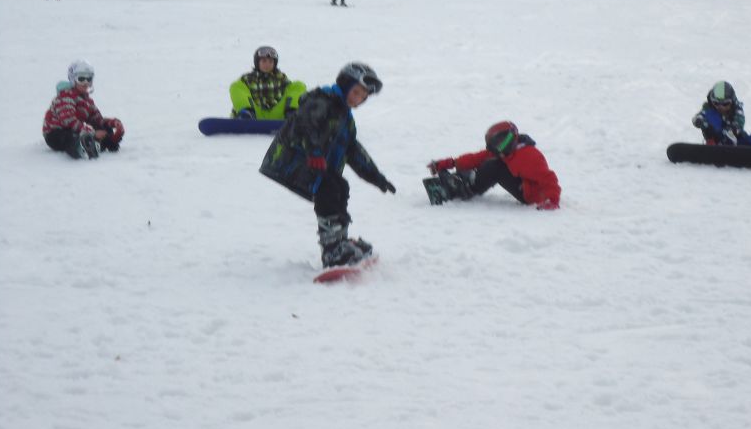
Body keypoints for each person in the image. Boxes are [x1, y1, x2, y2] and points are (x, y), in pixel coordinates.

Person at [259, 62, 395, 267]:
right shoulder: (321, 100)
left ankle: (339, 240)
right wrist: (314, 150)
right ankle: (332, 250)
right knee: (328, 188)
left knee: (340, 185)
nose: (357, 99)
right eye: (356, 92)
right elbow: (307, 122)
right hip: (291, 159)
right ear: (344, 84)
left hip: (316, 164)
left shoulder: (346, 118)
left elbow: (353, 150)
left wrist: (376, 177)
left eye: (362, 97)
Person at [427, 121, 560, 209]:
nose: (497, 149)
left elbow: (549, 179)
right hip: (524, 186)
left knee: (495, 167)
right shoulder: (506, 151)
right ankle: (461, 180)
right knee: (489, 162)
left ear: (509, 140)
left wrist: (552, 201)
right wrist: (449, 163)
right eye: (494, 145)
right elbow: (476, 158)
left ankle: (466, 187)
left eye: (500, 144)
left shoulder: (529, 156)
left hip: (533, 196)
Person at [42, 59, 125, 159]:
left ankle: (105, 143)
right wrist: (93, 133)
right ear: (73, 79)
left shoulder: (87, 100)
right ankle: (80, 148)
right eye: (81, 79)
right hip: (56, 133)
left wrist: (110, 123)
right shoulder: (65, 96)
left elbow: (96, 118)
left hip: (76, 130)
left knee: (103, 129)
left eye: (89, 79)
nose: (85, 83)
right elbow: (68, 121)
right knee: (70, 137)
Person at [229, 46, 308, 120]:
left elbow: (292, 92)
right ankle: (245, 113)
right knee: (236, 86)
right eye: (264, 61)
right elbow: (240, 94)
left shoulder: (281, 78)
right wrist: (247, 111)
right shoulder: (247, 79)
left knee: (298, 85)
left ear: (274, 64)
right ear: (257, 63)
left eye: (270, 62)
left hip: (278, 115)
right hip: (254, 115)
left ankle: (292, 113)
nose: (267, 64)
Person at [692, 81, 751, 147]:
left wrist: (733, 129)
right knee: (712, 114)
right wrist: (702, 123)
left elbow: (739, 122)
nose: (720, 107)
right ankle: (715, 146)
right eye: (716, 103)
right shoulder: (709, 110)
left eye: (725, 104)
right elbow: (698, 117)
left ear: (732, 102)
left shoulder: (737, 110)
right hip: (716, 141)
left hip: (738, 142)